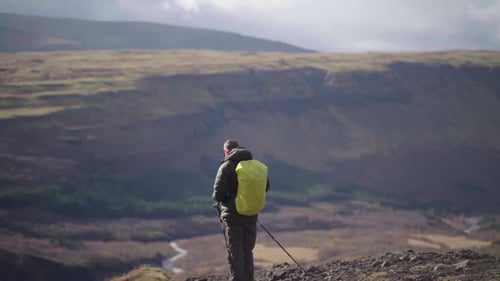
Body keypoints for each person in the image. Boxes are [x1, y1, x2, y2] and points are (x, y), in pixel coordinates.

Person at [212, 139, 270, 281]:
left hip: (233, 216)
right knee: (247, 250)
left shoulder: (226, 166)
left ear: (227, 151)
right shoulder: (254, 165)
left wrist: (226, 198)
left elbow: (218, 194)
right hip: (251, 214)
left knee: (235, 251)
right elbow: (266, 187)